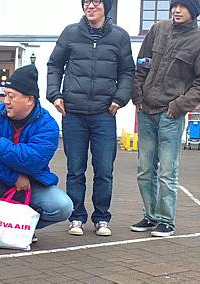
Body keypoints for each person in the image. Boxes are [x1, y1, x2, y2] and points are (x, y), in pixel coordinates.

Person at [47, 0, 134, 237]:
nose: (90, 6)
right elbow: (54, 65)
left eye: (96, 2)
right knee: (75, 169)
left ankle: (102, 217)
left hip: (105, 113)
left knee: (104, 169)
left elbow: (127, 71)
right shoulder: (70, 33)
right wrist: (54, 95)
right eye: (87, 2)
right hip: (73, 113)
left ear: (106, 6)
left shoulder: (119, 37)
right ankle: (76, 217)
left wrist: (120, 98)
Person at [0, 65, 73, 249]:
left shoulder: (48, 126)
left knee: (63, 207)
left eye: (11, 96)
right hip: (0, 179)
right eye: (5, 94)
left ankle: (22, 228)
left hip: (32, 182)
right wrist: (14, 177)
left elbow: (32, 160)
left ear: (29, 99)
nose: (6, 101)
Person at [131, 0, 200, 237]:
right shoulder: (158, 29)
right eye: (174, 5)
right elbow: (141, 65)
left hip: (170, 114)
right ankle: (150, 216)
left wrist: (179, 106)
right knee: (145, 169)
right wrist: (137, 94)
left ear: (194, 11)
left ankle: (166, 220)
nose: (177, 10)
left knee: (168, 171)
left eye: (183, 6)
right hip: (146, 111)